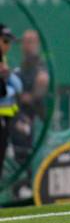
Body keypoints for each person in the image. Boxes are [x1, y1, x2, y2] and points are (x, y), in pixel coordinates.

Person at [0, 24, 22, 179]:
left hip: (5, 116)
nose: (8, 46)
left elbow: (17, 87)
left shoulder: (3, 60)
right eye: (5, 41)